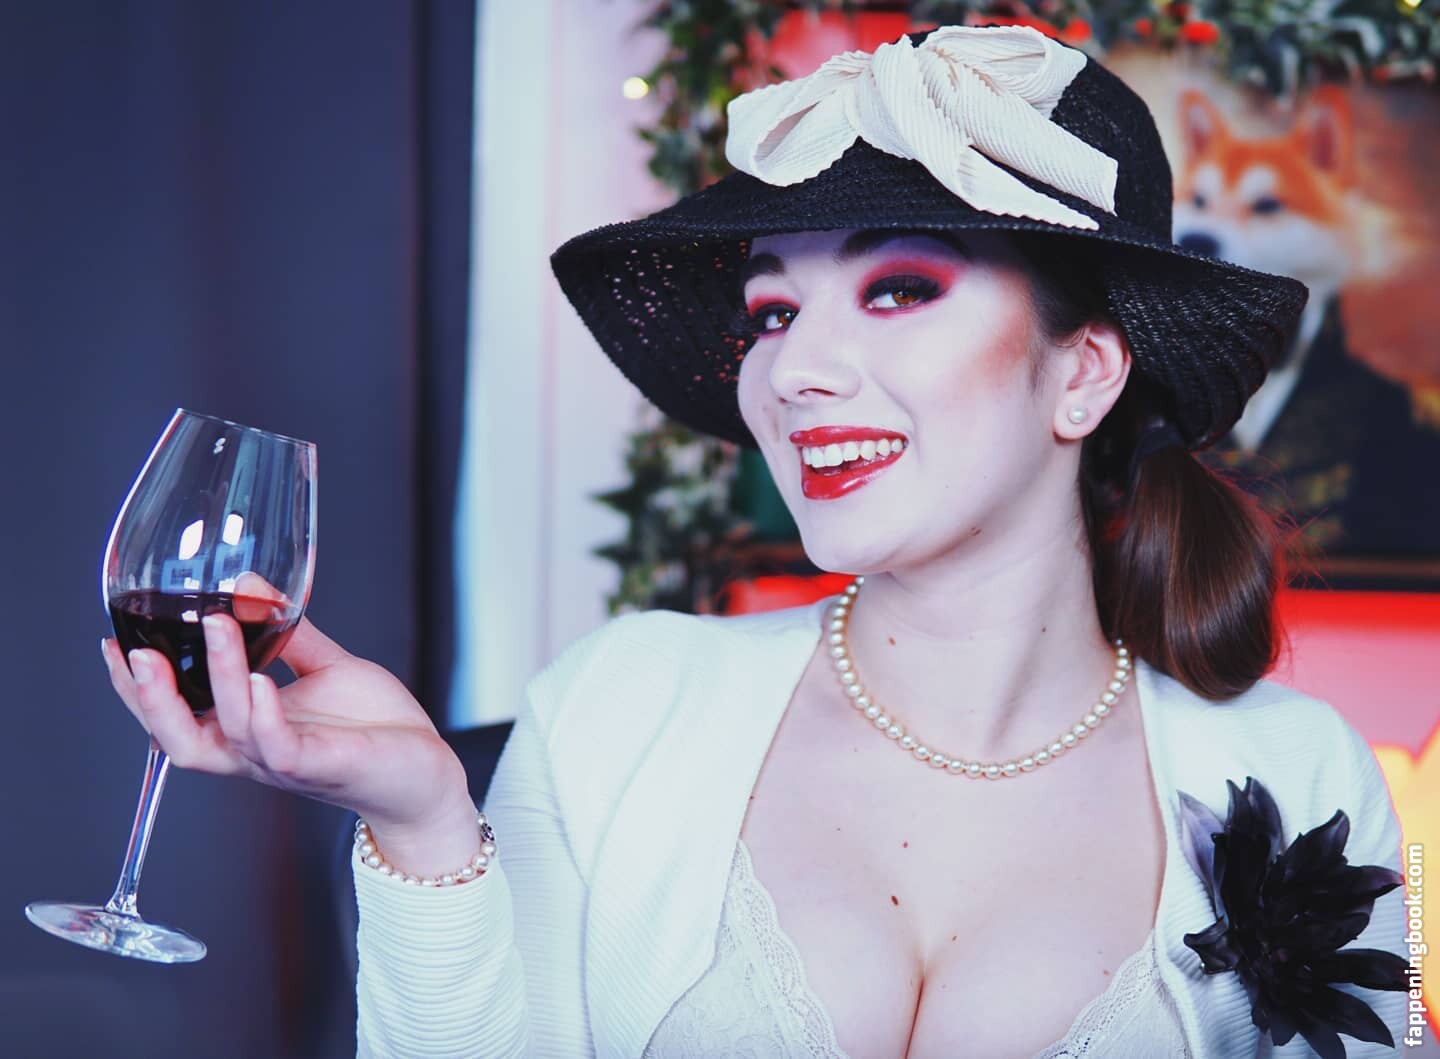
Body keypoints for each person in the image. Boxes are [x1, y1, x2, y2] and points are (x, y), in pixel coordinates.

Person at [101, 24, 1411, 1059]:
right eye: (774, 314)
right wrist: (427, 825)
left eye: (900, 288)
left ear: (1083, 374)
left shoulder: (1297, 772)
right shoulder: (621, 703)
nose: (794, 371)